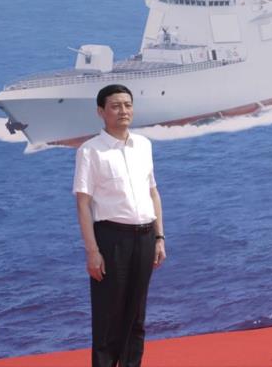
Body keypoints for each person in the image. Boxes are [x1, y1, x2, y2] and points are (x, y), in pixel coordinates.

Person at [73, 84, 166, 367]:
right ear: (101, 112)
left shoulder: (144, 145)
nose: (123, 111)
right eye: (115, 106)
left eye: (127, 104)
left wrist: (159, 237)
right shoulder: (90, 151)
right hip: (112, 239)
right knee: (108, 317)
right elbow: (83, 204)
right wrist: (92, 250)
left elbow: (153, 192)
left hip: (145, 236)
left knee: (136, 316)